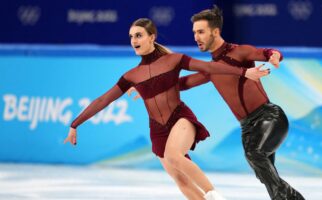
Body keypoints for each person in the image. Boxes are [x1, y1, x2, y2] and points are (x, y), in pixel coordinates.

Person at [63, 18, 269, 200]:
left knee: (174, 156)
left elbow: (210, 67)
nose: (134, 40)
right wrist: (75, 124)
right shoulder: (131, 76)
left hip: (180, 118)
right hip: (157, 129)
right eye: (131, 36)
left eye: (139, 35)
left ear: (151, 37)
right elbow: (103, 100)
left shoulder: (174, 60)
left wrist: (243, 72)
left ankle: (215, 195)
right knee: (181, 181)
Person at [179, 5, 305, 200]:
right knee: (265, 174)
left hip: (269, 118)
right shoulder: (210, 69)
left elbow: (267, 52)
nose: (196, 37)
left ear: (215, 31)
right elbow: (183, 84)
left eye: (201, 32)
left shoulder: (239, 52)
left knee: (255, 154)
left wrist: (274, 56)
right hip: (247, 127)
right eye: (195, 32)